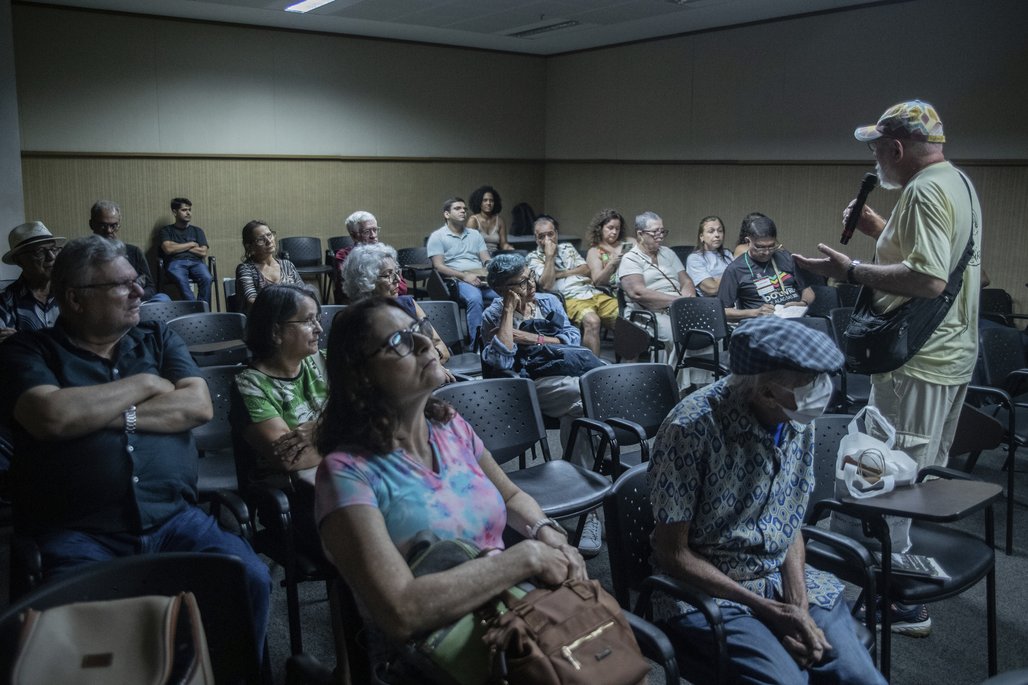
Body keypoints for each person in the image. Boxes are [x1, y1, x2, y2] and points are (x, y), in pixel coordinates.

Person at [0, 235, 271, 651]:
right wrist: (146, 383)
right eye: (121, 285)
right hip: (78, 531)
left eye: (136, 280)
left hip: (175, 519)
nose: (140, 291)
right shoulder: (27, 350)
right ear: (75, 299)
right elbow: (50, 416)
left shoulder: (157, 338)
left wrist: (97, 417)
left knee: (247, 577)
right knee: (78, 629)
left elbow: (197, 407)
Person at [314, 297, 586, 670]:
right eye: (400, 341)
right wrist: (526, 557)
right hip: (433, 657)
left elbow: (510, 494)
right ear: (361, 374)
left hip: (507, 619)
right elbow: (402, 610)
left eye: (418, 331)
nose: (427, 344)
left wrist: (546, 531)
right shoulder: (346, 473)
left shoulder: (450, 426)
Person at [649, 317, 887, 685]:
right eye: (808, 383)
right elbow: (673, 554)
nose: (821, 390)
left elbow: (787, 518)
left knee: (857, 676)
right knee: (789, 681)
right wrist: (767, 610)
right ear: (765, 392)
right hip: (712, 587)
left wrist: (798, 600)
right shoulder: (691, 428)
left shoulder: (797, 420)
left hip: (778, 572)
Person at [480, 253, 600, 557]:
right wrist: (509, 310)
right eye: (519, 283)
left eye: (529, 276)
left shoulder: (549, 302)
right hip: (526, 386)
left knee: (582, 408)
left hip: (562, 372)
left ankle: (579, 495)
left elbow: (573, 341)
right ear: (501, 289)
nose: (529, 284)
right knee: (586, 393)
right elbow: (501, 359)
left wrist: (533, 338)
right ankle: (586, 500)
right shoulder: (493, 315)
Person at [231, 284, 326, 555]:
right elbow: (291, 459)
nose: (318, 328)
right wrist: (349, 433)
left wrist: (321, 431)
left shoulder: (322, 362)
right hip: (296, 502)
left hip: (344, 481)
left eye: (318, 319)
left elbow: (375, 421)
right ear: (275, 331)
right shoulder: (250, 385)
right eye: (308, 321)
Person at [342, 242, 453, 374]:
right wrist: (428, 365)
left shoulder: (409, 303)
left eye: (397, 272)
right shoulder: (356, 320)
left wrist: (433, 365)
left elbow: (441, 348)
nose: (397, 280)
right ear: (366, 281)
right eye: (388, 274)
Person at [527, 215, 618, 357]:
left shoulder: (567, 247)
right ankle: (593, 370)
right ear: (536, 238)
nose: (547, 240)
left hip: (591, 291)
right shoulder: (533, 257)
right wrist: (549, 257)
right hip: (568, 298)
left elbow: (586, 270)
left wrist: (560, 273)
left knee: (624, 319)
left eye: (550, 234)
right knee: (592, 321)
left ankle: (628, 362)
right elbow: (547, 284)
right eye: (542, 236)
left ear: (556, 233)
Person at [617, 211, 697, 360]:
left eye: (662, 231)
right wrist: (678, 302)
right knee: (680, 335)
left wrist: (688, 297)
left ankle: (701, 381)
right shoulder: (631, 258)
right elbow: (638, 293)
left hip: (678, 308)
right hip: (648, 313)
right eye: (655, 232)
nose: (660, 236)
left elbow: (686, 280)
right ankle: (674, 380)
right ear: (640, 234)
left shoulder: (668, 253)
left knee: (708, 332)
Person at [426, 197, 498, 347]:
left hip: (480, 276)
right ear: (447, 214)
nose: (463, 211)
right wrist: (465, 276)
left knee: (503, 296)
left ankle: (500, 339)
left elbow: (485, 258)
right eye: (457, 208)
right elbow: (438, 266)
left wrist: (492, 267)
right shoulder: (437, 236)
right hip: (456, 279)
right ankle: (477, 345)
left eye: (464, 209)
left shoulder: (474, 234)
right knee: (475, 298)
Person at [718, 214, 814, 322]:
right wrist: (755, 312)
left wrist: (802, 303)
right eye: (760, 247)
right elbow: (723, 311)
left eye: (771, 246)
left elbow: (808, 291)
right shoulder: (735, 269)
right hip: (761, 324)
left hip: (795, 319)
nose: (767, 252)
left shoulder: (786, 257)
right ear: (748, 241)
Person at [89, 201, 168, 303]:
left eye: (113, 226)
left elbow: (150, 288)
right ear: (92, 224)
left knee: (163, 298)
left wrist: (131, 295)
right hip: (103, 307)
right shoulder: (83, 255)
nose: (108, 231)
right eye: (103, 225)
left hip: (133, 302)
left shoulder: (133, 252)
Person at [0, 221, 65, 343]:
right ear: (19, 260)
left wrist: (23, 340)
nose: (51, 257)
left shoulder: (70, 293)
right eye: (39, 252)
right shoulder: (5, 301)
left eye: (54, 249)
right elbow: (7, 348)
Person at [333, 210, 407, 303]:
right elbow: (358, 290)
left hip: (389, 302)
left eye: (375, 230)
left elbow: (402, 288)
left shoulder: (385, 253)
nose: (373, 235)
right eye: (367, 231)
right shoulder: (344, 256)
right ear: (353, 236)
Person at [235, 219, 304, 313]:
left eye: (269, 235)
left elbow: (304, 294)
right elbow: (252, 302)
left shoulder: (287, 265)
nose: (268, 241)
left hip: (291, 318)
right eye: (260, 239)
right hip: (262, 321)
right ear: (249, 246)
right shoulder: (246, 269)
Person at [158, 197, 212, 304]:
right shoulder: (166, 230)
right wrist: (191, 244)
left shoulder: (197, 231)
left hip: (196, 262)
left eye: (189, 210)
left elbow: (203, 252)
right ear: (174, 212)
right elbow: (168, 249)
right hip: (176, 263)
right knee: (181, 280)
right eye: (184, 210)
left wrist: (178, 246)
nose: (188, 213)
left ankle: (203, 309)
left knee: (207, 278)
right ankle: (194, 308)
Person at [585, 208, 635, 289]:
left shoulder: (629, 242)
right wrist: (612, 263)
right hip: (614, 292)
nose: (614, 232)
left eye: (617, 228)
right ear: (600, 228)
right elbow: (597, 282)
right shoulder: (594, 251)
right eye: (610, 228)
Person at [687, 215, 735, 296]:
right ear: (701, 237)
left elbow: (742, 278)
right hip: (712, 304)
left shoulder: (727, 254)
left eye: (720, 231)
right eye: (711, 231)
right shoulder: (695, 258)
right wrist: (732, 278)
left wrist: (717, 280)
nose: (717, 235)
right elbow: (712, 289)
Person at [467, 185, 511, 253]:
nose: (488, 203)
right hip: (478, 257)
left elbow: (503, 244)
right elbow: (469, 245)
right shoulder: (473, 221)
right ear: (479, 202)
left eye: (491, 200)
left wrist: (510, 248)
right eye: (485, 200)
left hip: (496, 256)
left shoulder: (499, 221)